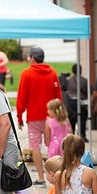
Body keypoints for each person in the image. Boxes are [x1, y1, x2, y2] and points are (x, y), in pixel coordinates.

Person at [16, 47, 62, 186]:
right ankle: (57, 177)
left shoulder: (27, 74)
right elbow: (58, 96)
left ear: (33, 58)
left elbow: (22, 97)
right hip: (52, 116)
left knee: (35, 147)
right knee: (53, 145)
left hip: (34, 117)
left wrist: (19, 116)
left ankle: (41, 178)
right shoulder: (52, 73)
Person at [64, 63, 89, 139]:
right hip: (81, 103)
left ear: (72, 70)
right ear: (80, 70)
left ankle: (71, 135)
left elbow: (65, 91)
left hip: (70, 102)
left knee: (71, 119)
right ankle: (82, 135)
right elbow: (89, 92)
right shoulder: (84, 81)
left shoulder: (68, 81)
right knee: (82, 119)